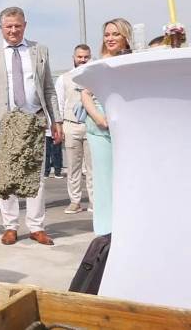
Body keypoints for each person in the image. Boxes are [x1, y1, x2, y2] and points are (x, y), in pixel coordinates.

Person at [0, 6, 62, 246]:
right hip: (4, 123)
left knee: (36, 176)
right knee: (6, 175)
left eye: (17, 26)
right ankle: (10, 226)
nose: (13, 30)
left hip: (34, 120)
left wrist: (57, 120)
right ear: (1, 28)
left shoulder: (39, 50)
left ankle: (36, 227)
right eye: (8, 26)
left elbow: (49, 88)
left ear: (25, 26)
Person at [82, 18, 132, 236]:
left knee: (127, 178)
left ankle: (127, 227)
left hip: (128, 126)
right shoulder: (98, 64)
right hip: (100, 128)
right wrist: (99, 119)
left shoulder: (133, 61)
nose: (110, 38)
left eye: (115, 34)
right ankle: (105, 231)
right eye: (107, 35)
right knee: (104, 180)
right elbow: (85, 94)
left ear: (126, 37)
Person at [55, 44, 93, 214]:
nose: (83, 60)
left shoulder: (95, 76)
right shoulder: (64, 78)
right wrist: (60, 126)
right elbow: (59, 103)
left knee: (93, 168)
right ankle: (75, 201)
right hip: (71, 125)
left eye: (86, 57)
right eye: (80, 57)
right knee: (73, 167)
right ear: (74, 58)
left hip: (91, 125)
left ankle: (94, 201)